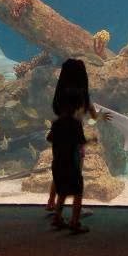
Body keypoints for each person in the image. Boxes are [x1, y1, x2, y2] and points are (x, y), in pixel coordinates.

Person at [46, 58, 110, 214]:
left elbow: (50, 137)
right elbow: (94, 116)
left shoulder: (60, 98)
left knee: (59, 170)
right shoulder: (83, 97)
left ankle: (51, 202)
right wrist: (100, 117)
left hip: (60, 142)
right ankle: (76, 211)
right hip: (75, 140)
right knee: (75, 173)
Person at [47, 87, 90, 234]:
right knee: (77, 193)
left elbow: (49, 138)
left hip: (58, 164)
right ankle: (75, 222)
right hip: (72, 165)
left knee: (62, 193)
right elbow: (81, 141)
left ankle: (57, 218)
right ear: (78, 106)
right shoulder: (76, 123)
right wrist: (92, 140)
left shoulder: (56, 123)